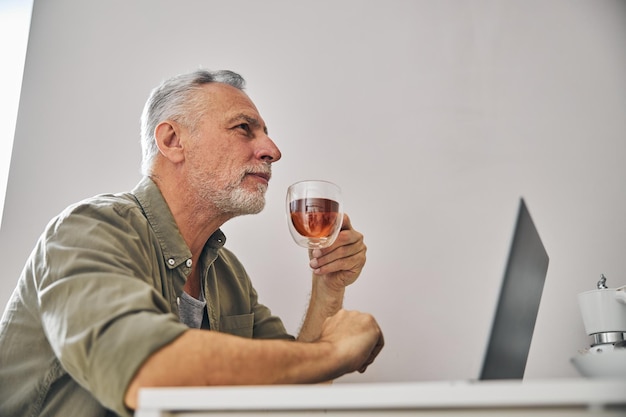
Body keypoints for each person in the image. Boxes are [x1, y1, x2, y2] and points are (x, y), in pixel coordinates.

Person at [0, 69, 384, 417]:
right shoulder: (90, 230)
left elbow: (297, 397)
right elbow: (147, 373)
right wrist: (334, 352)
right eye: (243, 128)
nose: (272, 150)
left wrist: (329, 287)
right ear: (172, 140)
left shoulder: (228, 274)